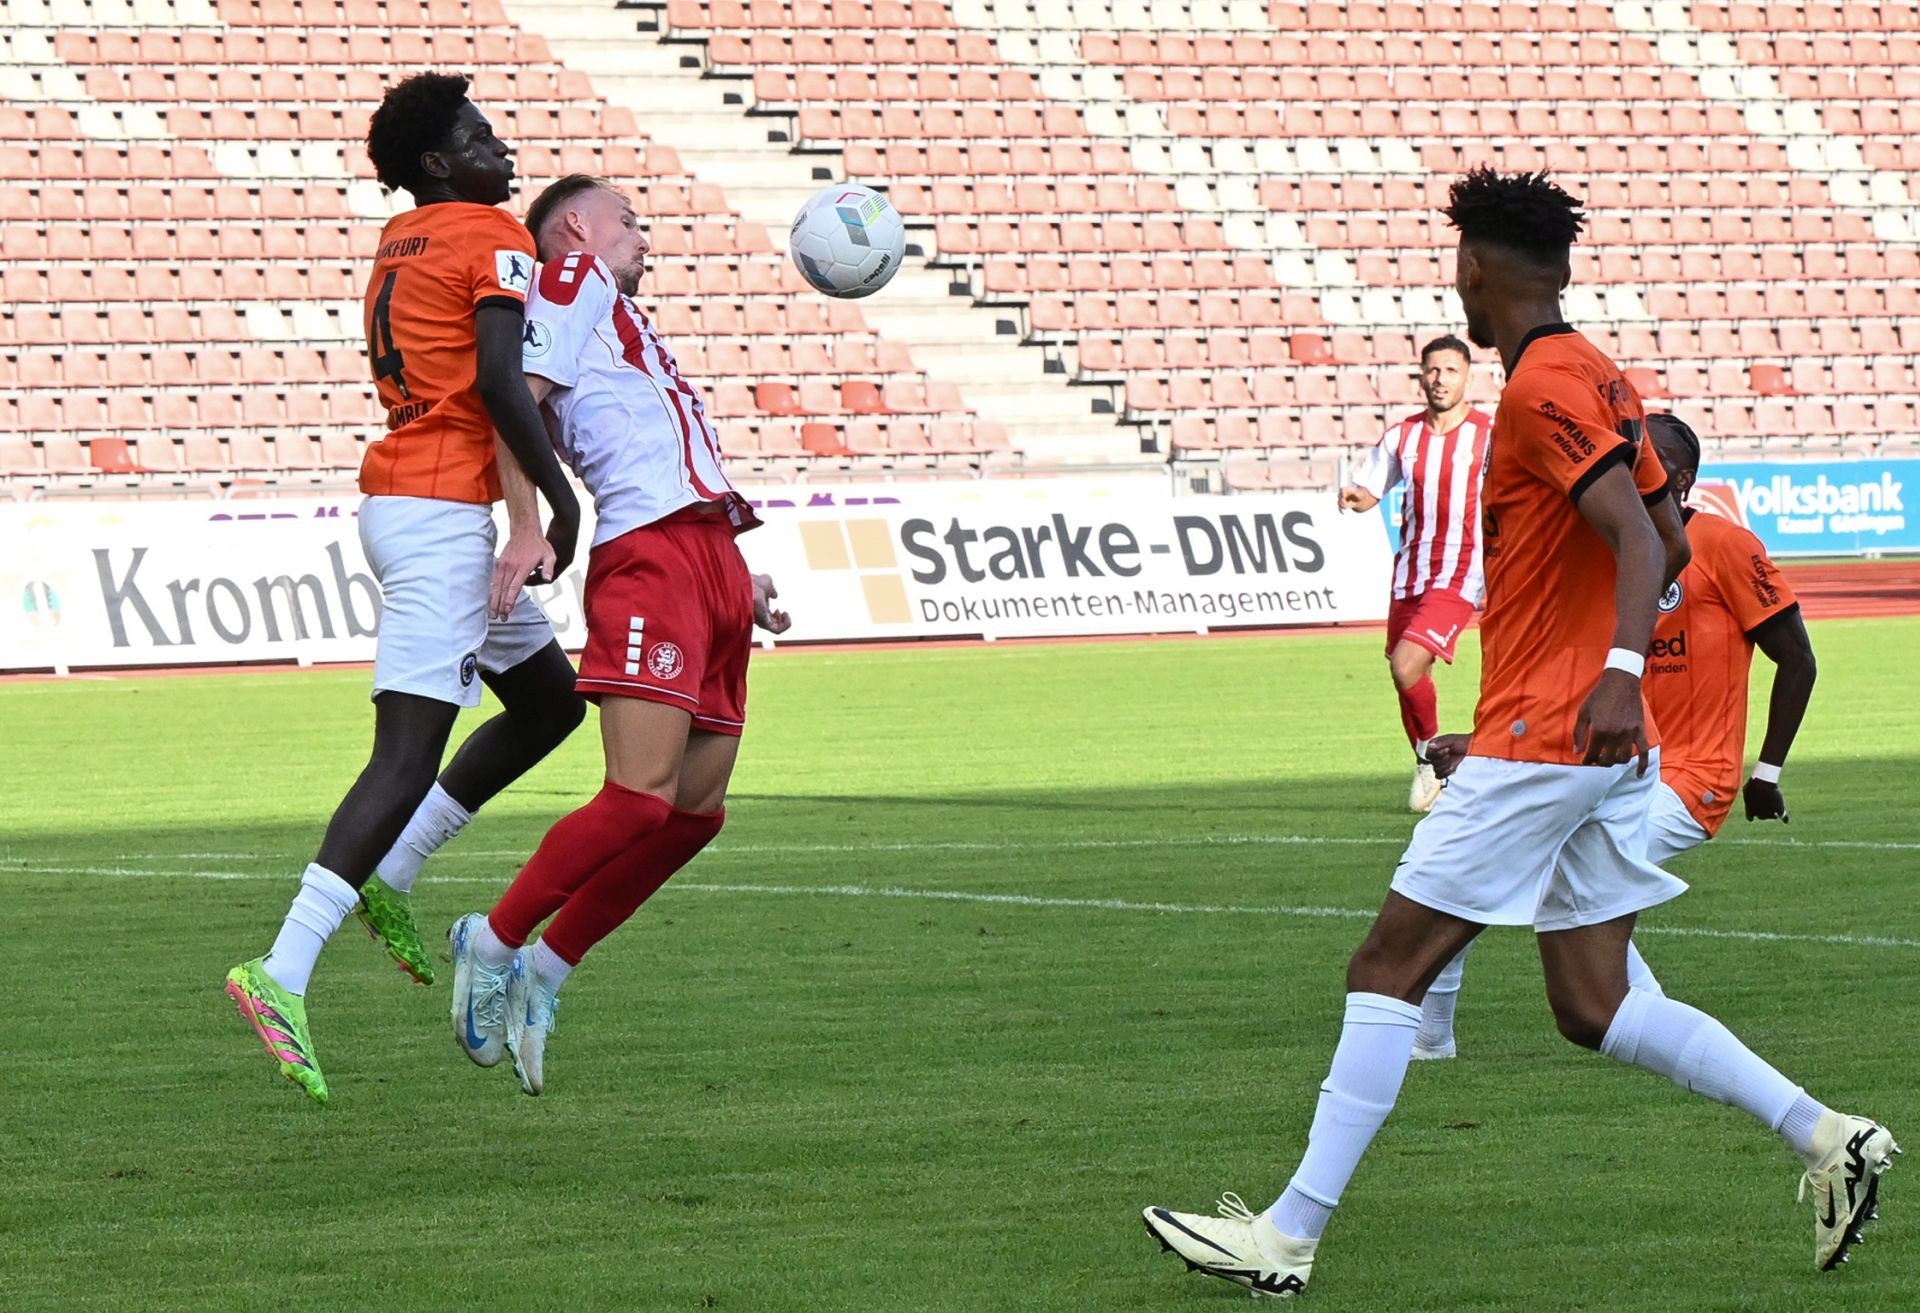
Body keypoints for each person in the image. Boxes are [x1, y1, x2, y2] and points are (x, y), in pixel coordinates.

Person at [1142, 168, 1894, 1296]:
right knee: (1593, 1002)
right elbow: (1668, 538)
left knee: (1386, 965)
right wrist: (1562, 692)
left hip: (1556, 735)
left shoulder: (1541, 385)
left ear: (1474, 268)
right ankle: (1829, 1136)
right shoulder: (1601, 373)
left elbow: (1638, 543)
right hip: (1578, 741)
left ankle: (1286, 1238)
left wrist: (1608, 676)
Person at [224, 74, 586, 1105]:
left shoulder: (404, 237)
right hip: (436, 519)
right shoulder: (492, 232)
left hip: (415, 503)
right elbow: (504, 384)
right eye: (478, 135)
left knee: (552, 702)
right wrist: (558, 505)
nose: (500, 146)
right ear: (437, 162)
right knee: (406, 750)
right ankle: (281, 967)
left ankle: (395, 869)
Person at [442, 175, 789, 1097]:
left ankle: (546, 969)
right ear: (574, 227)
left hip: (708, 552)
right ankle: (491, 940)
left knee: (695, 812)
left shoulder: (612, 311)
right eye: (627, 219)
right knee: (638, 799)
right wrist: (529, 524)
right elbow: (512, 400)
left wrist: (734, 574)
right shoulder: (567, 278)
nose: (645, 236)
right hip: (650, 555)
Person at [1412, 409, 1818, 1053]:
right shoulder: (1608, 552)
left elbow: (1797, 658)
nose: (1633, 466)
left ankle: (1434, 1039)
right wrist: (1487, 742)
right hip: (1608, 765)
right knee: (1495, 856)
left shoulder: (1725, 546)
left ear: (1680, 479)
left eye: (1650, 459)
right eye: (1629, 455)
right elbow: (1577, 679)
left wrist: (1765, 773)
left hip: (1692, 777)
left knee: (1534, 867)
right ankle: (1644, 1031)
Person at [1339, 337, 1494, 811]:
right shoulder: (1402, 436)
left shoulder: (1490, 434)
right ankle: (1431, 763)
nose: (1440, 379)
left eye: (1450, 370)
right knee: (1406, 673)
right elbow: (1370, 490)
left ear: (1467, 378)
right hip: (1410, 572)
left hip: (1461, 571)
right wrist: (1355, 498)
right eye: (1433, 370)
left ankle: (1432, 759)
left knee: (1405, 663)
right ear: (1421, 376)